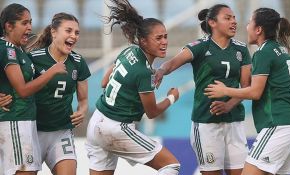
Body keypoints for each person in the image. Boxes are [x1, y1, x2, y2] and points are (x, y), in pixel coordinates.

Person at [205, 7, 290, 175]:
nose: (246, 26)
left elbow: (255, 92)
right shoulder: (280, 50)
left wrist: (225, 90)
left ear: (258, 29)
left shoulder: (264, 52)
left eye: (250, 22)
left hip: (279, 125)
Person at [85, 0, 181, 175]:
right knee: (171, 165)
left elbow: (104, 83)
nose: (164, 42)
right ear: (143, 41)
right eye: (158, 38)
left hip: (96, 122)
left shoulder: (128, 51)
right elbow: (152, 112)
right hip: (115, 128)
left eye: (165, 36)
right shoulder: (143, 72)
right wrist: (172, 97)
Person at [155, 4, 251, 175]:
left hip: (234, 121)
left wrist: (229, 105)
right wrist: (161, 71)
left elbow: (246, 87)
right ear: (213, 23)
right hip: (206, 123)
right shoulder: (200, 46)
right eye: (227, 18)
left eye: (234, 18)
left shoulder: (241, 49)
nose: (234, 22)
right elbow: (172, 63)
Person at [0, 3, 66, 175]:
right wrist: (52, 71)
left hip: (26, 122)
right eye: (24, 23)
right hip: (14, 120)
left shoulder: (18, 50)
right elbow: (22, 90)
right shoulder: (7, 50)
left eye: (30, 22)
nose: (29, 27)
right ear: (8, 26)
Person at [25, 12, 91, 175]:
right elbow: (18, 88)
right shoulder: (33, 58)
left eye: (76, 33)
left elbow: (83, 99)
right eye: (68, 31)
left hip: (61, 132)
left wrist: (81, 111)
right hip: (32, 131)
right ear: (54, 32)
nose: (73, 36)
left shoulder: (78, 62)